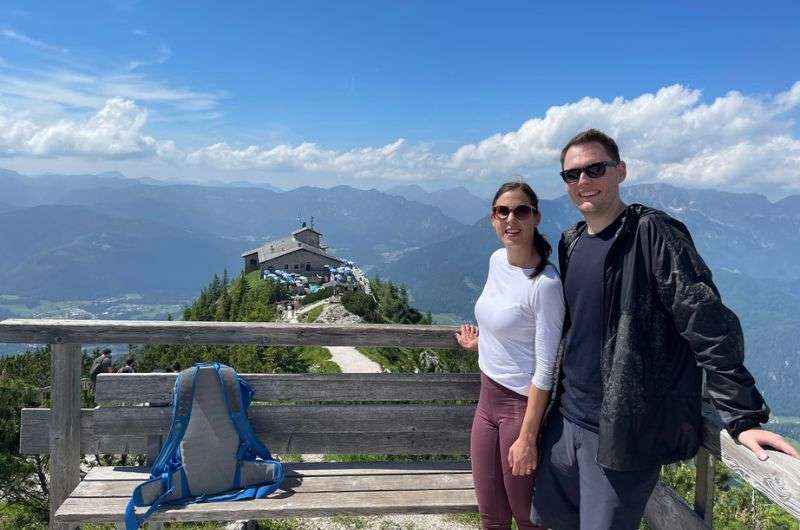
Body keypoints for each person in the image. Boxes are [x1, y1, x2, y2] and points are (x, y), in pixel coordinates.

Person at [531, 129, 800, 530]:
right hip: (563, 422)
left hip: (621, 434)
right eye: (572, 174)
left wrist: (743, 417)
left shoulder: (653, 233)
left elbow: (706, 322)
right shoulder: (571, 241)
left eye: (595, 169)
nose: (583, 181)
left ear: (620, 171)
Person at [455, 181, 565, 530]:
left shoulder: (545, 284)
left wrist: (528, 438)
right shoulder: (496, 260)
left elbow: (546, 366)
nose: (510, 218)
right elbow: (502, 317)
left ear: (535, 218)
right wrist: (483, 342)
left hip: (520, 408)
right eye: (502, 211)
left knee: (526, 515)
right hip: (486, 402)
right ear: (492, 218)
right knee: (491, 514)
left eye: (521, 211)